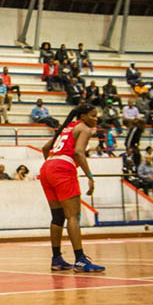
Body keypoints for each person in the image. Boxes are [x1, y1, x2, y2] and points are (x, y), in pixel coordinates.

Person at [39, 104, 105, 272]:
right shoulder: (84, 128)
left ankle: (57, 259)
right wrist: (90, 177)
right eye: (93, 115)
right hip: (63, 168)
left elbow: (46, 148)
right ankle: (80, 259)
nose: (96, 119)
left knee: (57, 217)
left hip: (47, 167)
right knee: (73, 216)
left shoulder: (66, 127)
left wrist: (53, 163)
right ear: (83, 116)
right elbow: (78, 153)